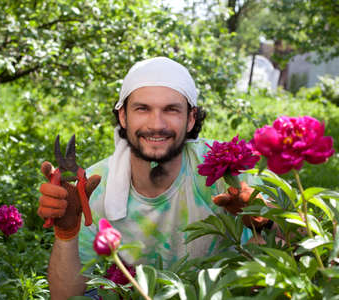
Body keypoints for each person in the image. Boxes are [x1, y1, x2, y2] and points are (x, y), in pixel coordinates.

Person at [38, 57, 269, 299]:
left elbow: (297, 242)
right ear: (123, 116)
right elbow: (65, 296)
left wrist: (266, 221)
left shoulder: (225, 165)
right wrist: (66, 233)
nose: (156, 124)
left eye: (171, 109)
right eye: (142, 109)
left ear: (190, 118)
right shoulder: (95, 186)